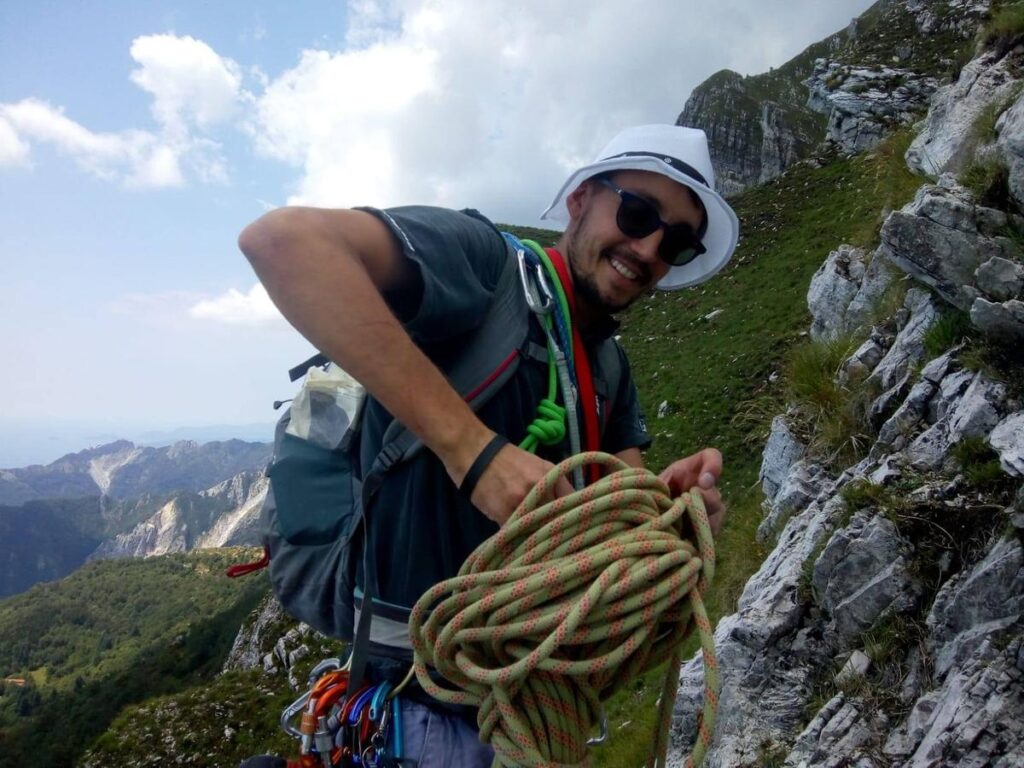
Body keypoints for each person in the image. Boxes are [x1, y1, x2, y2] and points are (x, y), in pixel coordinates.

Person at [238, 124, 738, 768]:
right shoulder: (484, 265)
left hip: (520, 712)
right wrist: (471, 450)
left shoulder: (609, 368)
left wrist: (674, 514)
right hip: (414, 706)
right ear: (581, 199)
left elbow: (618, 520)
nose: (648, 247)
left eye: (677, 242)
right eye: (638, 212)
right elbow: (282, 242)